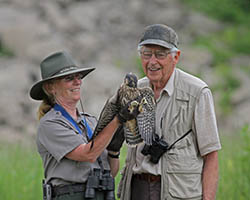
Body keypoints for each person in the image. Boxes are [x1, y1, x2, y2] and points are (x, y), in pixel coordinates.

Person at [107, 24, 221, 200]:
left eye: (160, 54)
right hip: (137, 189)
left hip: (179, 193)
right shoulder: (134, 90)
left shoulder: (197, 92)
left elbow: (211, 155)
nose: (152, 62)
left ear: (176, 57)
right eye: (146, 54)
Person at [29, 51, 138, 200]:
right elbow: (88, 154)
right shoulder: (50, 124)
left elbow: (111, 173)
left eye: (78, 77)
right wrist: (117, 121)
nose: (77, 82)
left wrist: (114, 150)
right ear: (50, 88)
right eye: (69, 78)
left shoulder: (91, 121)